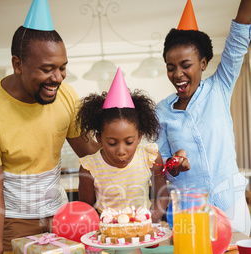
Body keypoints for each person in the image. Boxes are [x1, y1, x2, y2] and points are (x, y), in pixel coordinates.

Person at [0, 8, 99, 254]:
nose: (57, 78)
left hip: (60, 214)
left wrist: (120, 145)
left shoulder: (67, 96)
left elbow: (89, 153)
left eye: (62, 68)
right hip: (15, 220)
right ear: (17, 65)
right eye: (47, 69)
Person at [156, 0, 251, 235]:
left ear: (203, 63)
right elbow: (162, 165)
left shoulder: (219, 87)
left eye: (185, 65)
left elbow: (239, 35)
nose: (177, 74)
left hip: (231, 202)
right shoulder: (160, 112)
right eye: (170, 67)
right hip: (189, 209)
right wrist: (174, 164)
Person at [76, 68, 190, 222]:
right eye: (112, 143)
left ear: (139, 137)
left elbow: (161, 196)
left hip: (143, 230)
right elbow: (86, 209)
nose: (121, 151)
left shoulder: (149, 157)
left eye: (129, 142)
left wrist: (150, 220)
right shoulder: (90, 167)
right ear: (99, 139)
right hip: (108, 236)